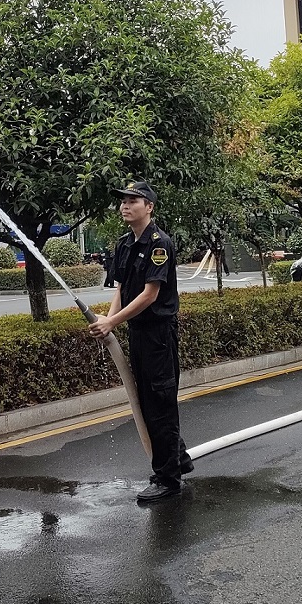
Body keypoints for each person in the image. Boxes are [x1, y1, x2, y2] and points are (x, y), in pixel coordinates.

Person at [89, 180, 192, 502]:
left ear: (149, 207)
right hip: (137, 332)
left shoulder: (160, 244)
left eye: (133, 200)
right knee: (147, 402)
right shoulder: (124, 244)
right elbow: (121, 289)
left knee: (160, 404)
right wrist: (107, 324)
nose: (125, 205)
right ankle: (178, 460)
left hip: (158, 335)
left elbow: (150, 295)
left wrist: (112, 321)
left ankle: (168, 479)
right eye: (123, 200)